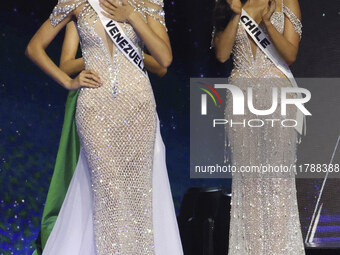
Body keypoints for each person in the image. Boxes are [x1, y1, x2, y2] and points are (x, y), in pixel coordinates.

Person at [26, 0, 183, 254]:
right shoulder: (76, 2)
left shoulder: (147, 3)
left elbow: (164, 59)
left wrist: (132, 16)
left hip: (139, 111)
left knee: (137, 196)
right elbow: (34, 47)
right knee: (108, 193)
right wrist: (68, 81)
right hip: (94, 111)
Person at [212, 0, 305, 254]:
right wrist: (234, 16)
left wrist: (266, 23)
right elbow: (221, 55)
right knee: (248, 183)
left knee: (277, 182)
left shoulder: (287, 3)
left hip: (278, 97)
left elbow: (290, 54)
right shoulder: (229, 4)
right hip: (240, 98)